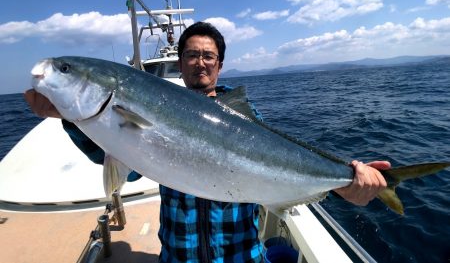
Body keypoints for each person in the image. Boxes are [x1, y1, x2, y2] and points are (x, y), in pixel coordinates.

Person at [25, 21, 391, 263]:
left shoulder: (244, 118)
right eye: (191, 55)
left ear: (219, 65)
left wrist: (347, 182)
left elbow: (287, 164)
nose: (200, 62)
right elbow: (124, 165)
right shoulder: (148, 105)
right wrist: (68, 118)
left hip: (242, 256)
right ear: (181, 64)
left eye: (208, 56)